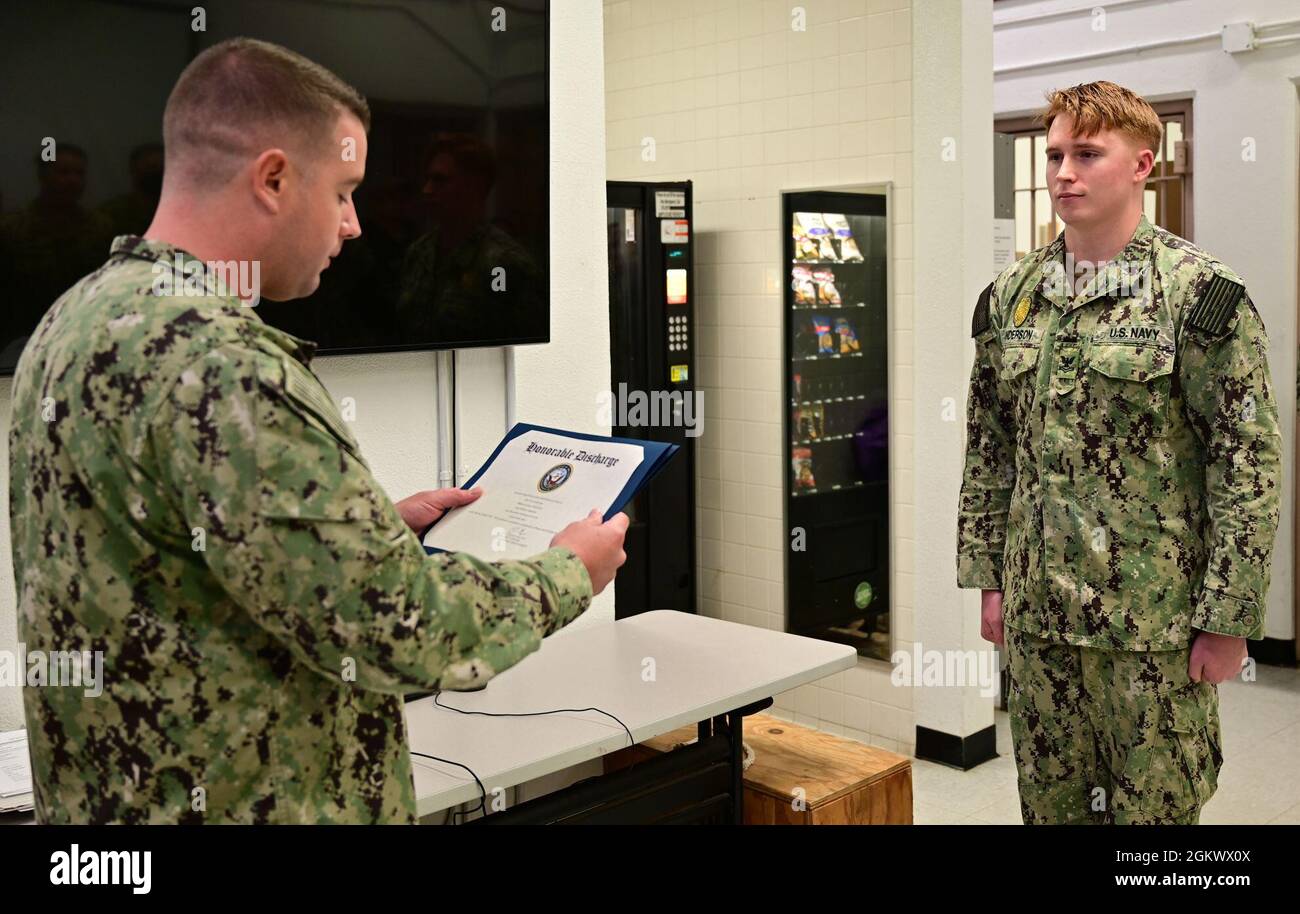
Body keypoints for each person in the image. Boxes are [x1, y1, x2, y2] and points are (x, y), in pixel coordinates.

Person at [8, 37, 627, 824]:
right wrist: (569, 572)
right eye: (343, 191)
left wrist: (360, 532)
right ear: (272, 178)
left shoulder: (72, 322)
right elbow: (400, 631)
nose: (355, 223)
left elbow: (169, 550)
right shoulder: (228, 365)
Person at [956, 81, 1281, 824]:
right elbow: (990, 448)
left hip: (1154, 628)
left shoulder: (1197, 295)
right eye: (1056, 154)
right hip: (1040, 624)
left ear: (1142, 164)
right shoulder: (1012, 297)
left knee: (1154, 823)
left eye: (1087, 154)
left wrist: (1228, 618)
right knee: (1051, 808)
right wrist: (989, 579)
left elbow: (1246, 461)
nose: (1064, 172)